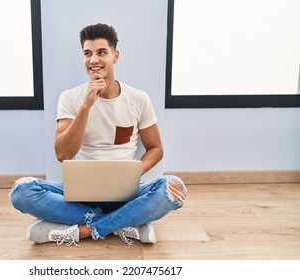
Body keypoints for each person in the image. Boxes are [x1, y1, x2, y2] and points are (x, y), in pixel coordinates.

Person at [10, 23, 187, 246]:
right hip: (81, 193)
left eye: (101, 52)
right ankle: (126, 223)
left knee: (174, 187)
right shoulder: (70, 98)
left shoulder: (138, 98)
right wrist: (86, 105)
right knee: (21, 191)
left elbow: (156, 148)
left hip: (126, 193)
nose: (94, 60)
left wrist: (132, 175)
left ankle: (83, 229)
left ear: (115, 55)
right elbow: (63, 153)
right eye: (87, 53)